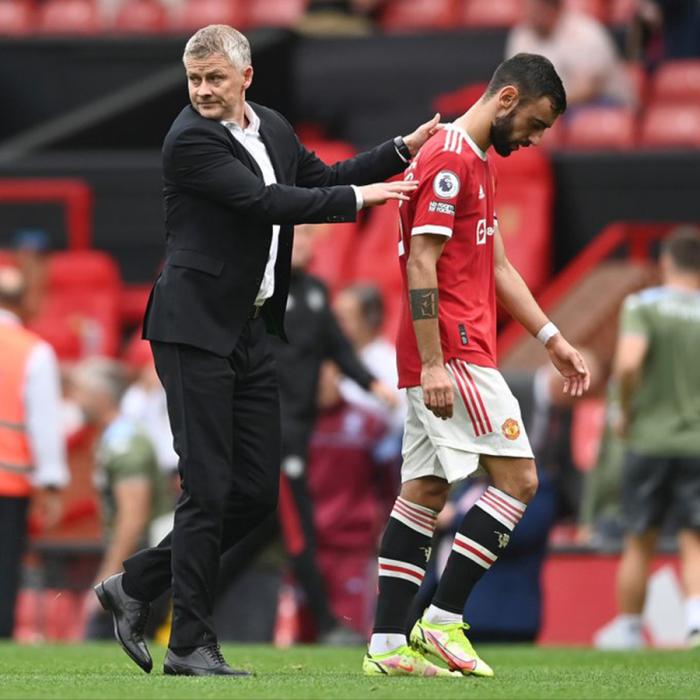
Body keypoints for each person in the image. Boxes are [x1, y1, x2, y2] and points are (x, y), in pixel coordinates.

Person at [93, 23, 439, 677]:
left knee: (254, 494)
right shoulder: (188, 139)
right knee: (206, 489)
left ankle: (135, 584)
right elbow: (264, 202)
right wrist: (360, 199)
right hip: (192, 328)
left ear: (246, 76)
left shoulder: (272, 127)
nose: (202, 91)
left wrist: (399, 151)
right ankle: (189, 645)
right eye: (194, 79)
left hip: (248, 329)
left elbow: (322, 175)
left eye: (214, 78)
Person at [363, 53, 590, 679]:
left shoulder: (475, 160)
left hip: (448, 348)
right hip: (453, 348)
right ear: (507, 98)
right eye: (536, 123)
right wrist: (435, 363)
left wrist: (550, 337)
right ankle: (442, 620)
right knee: (520, 481)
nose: (536, 138)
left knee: (424, 492)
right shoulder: (451, 159)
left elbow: (498, 265)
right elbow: (421, 262)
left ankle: (387, 644)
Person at [214, 223, 396, 645]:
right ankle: (327, 623)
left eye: (312, 236)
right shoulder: (260, 292)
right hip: (268, 429)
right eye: (299, 235)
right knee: (300, 529)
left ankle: (177, 602)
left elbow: (338, 349)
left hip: (298, 429)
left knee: (256, 534)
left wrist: (371, 384)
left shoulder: (316, 293)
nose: (307, 244)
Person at [595, 228, 700, 650]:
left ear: (666, 262)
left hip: (649, 440)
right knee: (694, 538)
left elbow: (628, 363)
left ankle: (630, 631)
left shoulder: (643, 306)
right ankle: (696, 625)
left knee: (639, 540)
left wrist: (623, 409)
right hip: (696, 443)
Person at [68, 358, 170, 640]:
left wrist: (107, 576)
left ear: (101, 396)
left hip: (141, 564)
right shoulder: (117, 437)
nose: (75, 400)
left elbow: (133, 518)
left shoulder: (125, 442)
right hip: (140, 563)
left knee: (98, 641)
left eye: (80, 391)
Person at [0, 266, 69, 638]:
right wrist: (51, 484)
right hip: (9, 484)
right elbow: (43, 424)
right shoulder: (34, 351)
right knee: (4, 567)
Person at [505, 0, 633, 108]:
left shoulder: (586, 32)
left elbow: (588, 88)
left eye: (534, 8)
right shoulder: (522, 34)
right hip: (555, 107)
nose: (528, 14)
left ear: (552, 8)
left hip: (602, 103)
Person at [335, 283, 406, 436]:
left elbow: (399, 419)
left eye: (343, 319)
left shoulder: (390, 364)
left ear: (370, 320)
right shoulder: (331, 359)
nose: (335, 326)